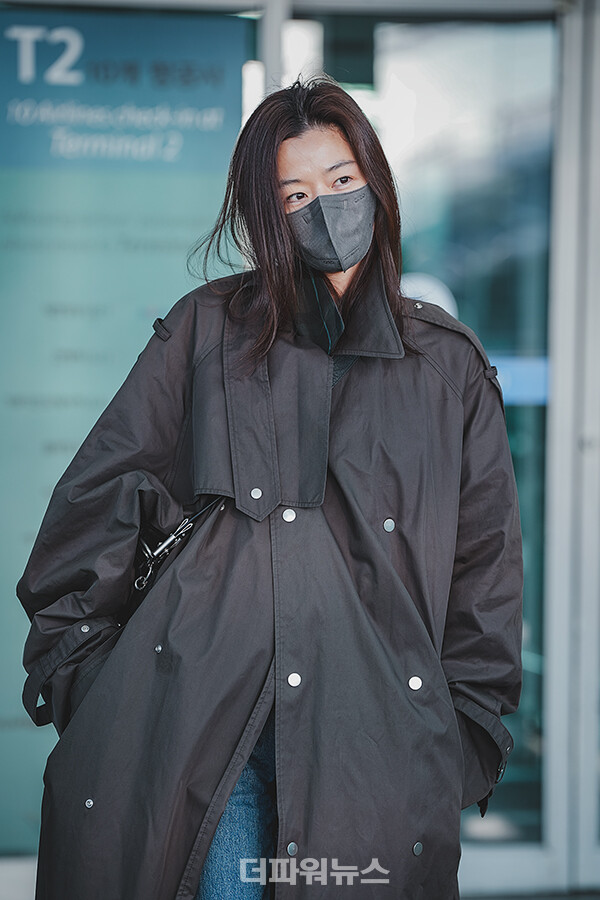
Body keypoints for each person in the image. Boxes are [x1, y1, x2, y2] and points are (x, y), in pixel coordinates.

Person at [17, 75, 523, 900]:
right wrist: (103, 690)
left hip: (376, 755)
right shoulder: (206, 333)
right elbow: (94, 506)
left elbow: (485, 570)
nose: (322, 206)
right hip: (209, 745)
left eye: (340, 181)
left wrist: (462, 731)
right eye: (294, 192)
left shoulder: (448, 366)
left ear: (377, 184)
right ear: (265, 214)